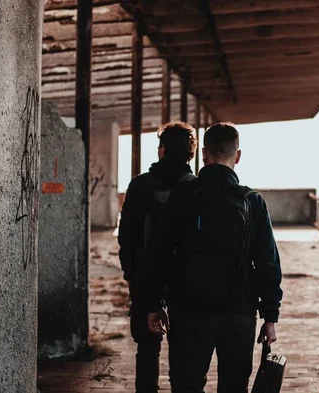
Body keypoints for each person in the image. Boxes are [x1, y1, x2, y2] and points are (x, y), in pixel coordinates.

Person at [145, 123, 283, 393]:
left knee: (187, 385)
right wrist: (270, 317)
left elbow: (159, 252)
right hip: (238, 312)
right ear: (238, 156)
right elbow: (268, 263)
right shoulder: (252, 201)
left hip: (188, 310)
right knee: (234, 386)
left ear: (204, 155)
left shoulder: (183, 196)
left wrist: (155, 303)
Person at [118, 121, 198, 393]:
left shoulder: (140, 186)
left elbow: (126, 236)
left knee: (147, 349)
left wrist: (132, 277)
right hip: (186, 284)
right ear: (192, 153)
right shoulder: (197, 189)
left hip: (145, 278)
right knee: (183, 354)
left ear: (161, 150)